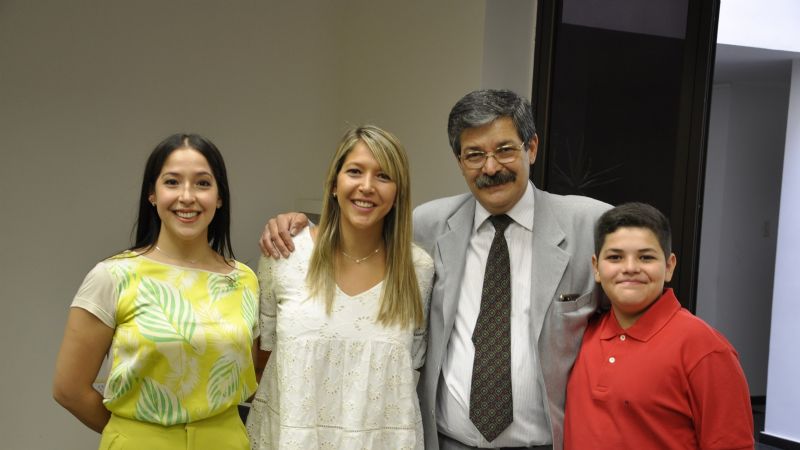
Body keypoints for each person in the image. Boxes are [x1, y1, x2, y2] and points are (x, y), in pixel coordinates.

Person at [260, 89, 610, 450]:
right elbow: (361, 231)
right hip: (446, 442)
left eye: (505, 150)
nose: (490, 168)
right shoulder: (428, 227)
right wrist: (294, 224)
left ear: (531, 148)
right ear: (460, 161)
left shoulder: (590, 226)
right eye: (474, 155)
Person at [53, 134, 259, 450]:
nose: (187, 196)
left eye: (203, 184)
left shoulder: (245, 280)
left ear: (220, 197)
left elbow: (256, 376)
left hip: (227, 441)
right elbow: (69, 388)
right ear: (153, 193)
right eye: (172, 182)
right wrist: (130, 436)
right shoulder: (114, 276)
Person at [245, 125, 434, 449]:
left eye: (384, 176)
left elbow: (411, 372)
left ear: (398, 192)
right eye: (355, 171)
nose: (367, 186)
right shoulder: (284, 255)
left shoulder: (418, 270)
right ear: (334, 183)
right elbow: (261, 363)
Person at [563, 203, 754, 449]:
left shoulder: (705, 349)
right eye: (615, 257)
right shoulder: (581, 332)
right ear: (596, 268)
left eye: (646, 257)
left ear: (669, 266)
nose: (630, 268)